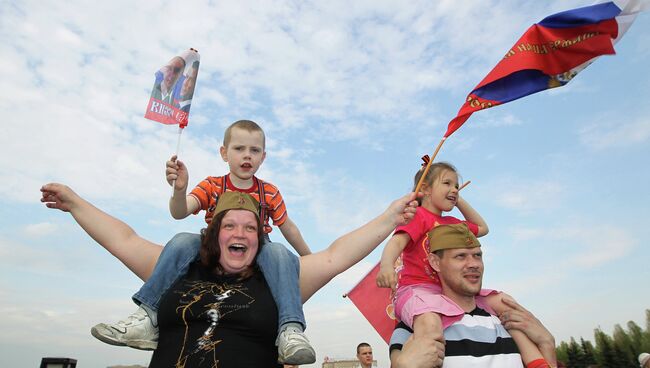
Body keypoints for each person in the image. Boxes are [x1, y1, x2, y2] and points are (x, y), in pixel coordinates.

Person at [40, 185, 418, 367]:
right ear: (214, 233)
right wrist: (76, 203)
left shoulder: (280, 279)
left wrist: (389, 218)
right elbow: (123, 239)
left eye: (250, 228)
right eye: (230, 226)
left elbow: (336, 256)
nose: (239, 234)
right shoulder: (177, 268)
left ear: (261, 238)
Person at [89, 120, 316, 364]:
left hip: (256, 248)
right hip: (213, 244)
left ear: (263, 157)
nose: (247, 156)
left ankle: (290, 329)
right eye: (239, 149)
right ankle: (148, 315)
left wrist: (309, 258)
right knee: (182, 240)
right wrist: (179, 189)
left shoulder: (269, 191)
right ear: (224, 153)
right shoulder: (213, 185)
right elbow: (180, 212)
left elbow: (288, 227)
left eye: (255, 150)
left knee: (279, 252)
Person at [376, 160, 547, 367]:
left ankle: (537, 363)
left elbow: (482, 228)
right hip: (418, 290)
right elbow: (396, 242)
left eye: (456, 186)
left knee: (506, 304)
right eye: (447, 183)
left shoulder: (453, 223)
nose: (454, 189)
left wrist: (458, 201)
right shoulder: (417, 216)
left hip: (447, 293)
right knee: (430, 324)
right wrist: (386, 266)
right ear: (425, 189)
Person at [389, 223, 557, 368]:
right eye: (460, 256)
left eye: (478, 256)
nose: (474, 264)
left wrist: (547, 344)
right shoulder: (415, 326)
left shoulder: (506, 319)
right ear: (435, 263)